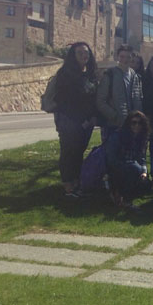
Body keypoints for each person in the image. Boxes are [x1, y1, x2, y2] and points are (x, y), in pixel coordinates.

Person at [53, 42, 99, 197]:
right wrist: (79, 119)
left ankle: (76, 181)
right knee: (68, 152)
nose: (84, 55)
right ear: (73, 55)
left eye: (86, 52)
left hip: (86, 123)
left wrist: (91, 117)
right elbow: (62, 100)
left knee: (79, 152)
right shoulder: (65, 74)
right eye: (79, 52)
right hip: (70, 121)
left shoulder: (89, 74)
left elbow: (93, 99)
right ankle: (68, 185)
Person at [104, 110, 151, 210]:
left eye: (140, 123)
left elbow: (142, 159)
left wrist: (144, 172)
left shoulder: (142, 138)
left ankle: (122, 195)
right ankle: (125, 200)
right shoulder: (117, 136)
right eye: (134, 123)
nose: (137, 126)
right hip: (116, 168)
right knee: (132, 168)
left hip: (133, 168)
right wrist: (130, 166)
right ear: (128, 124)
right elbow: (111, 159)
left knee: (146, 184)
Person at [96, 44, 143, 142]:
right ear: (117, 57)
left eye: (128, 57)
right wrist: (114, 116)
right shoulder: (110, 74)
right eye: (122, 56)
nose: (125, 60)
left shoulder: (136, 77)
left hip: (132, 125)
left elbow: (138, 99)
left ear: (132, 58)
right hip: (113, 125)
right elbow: (100, 101)